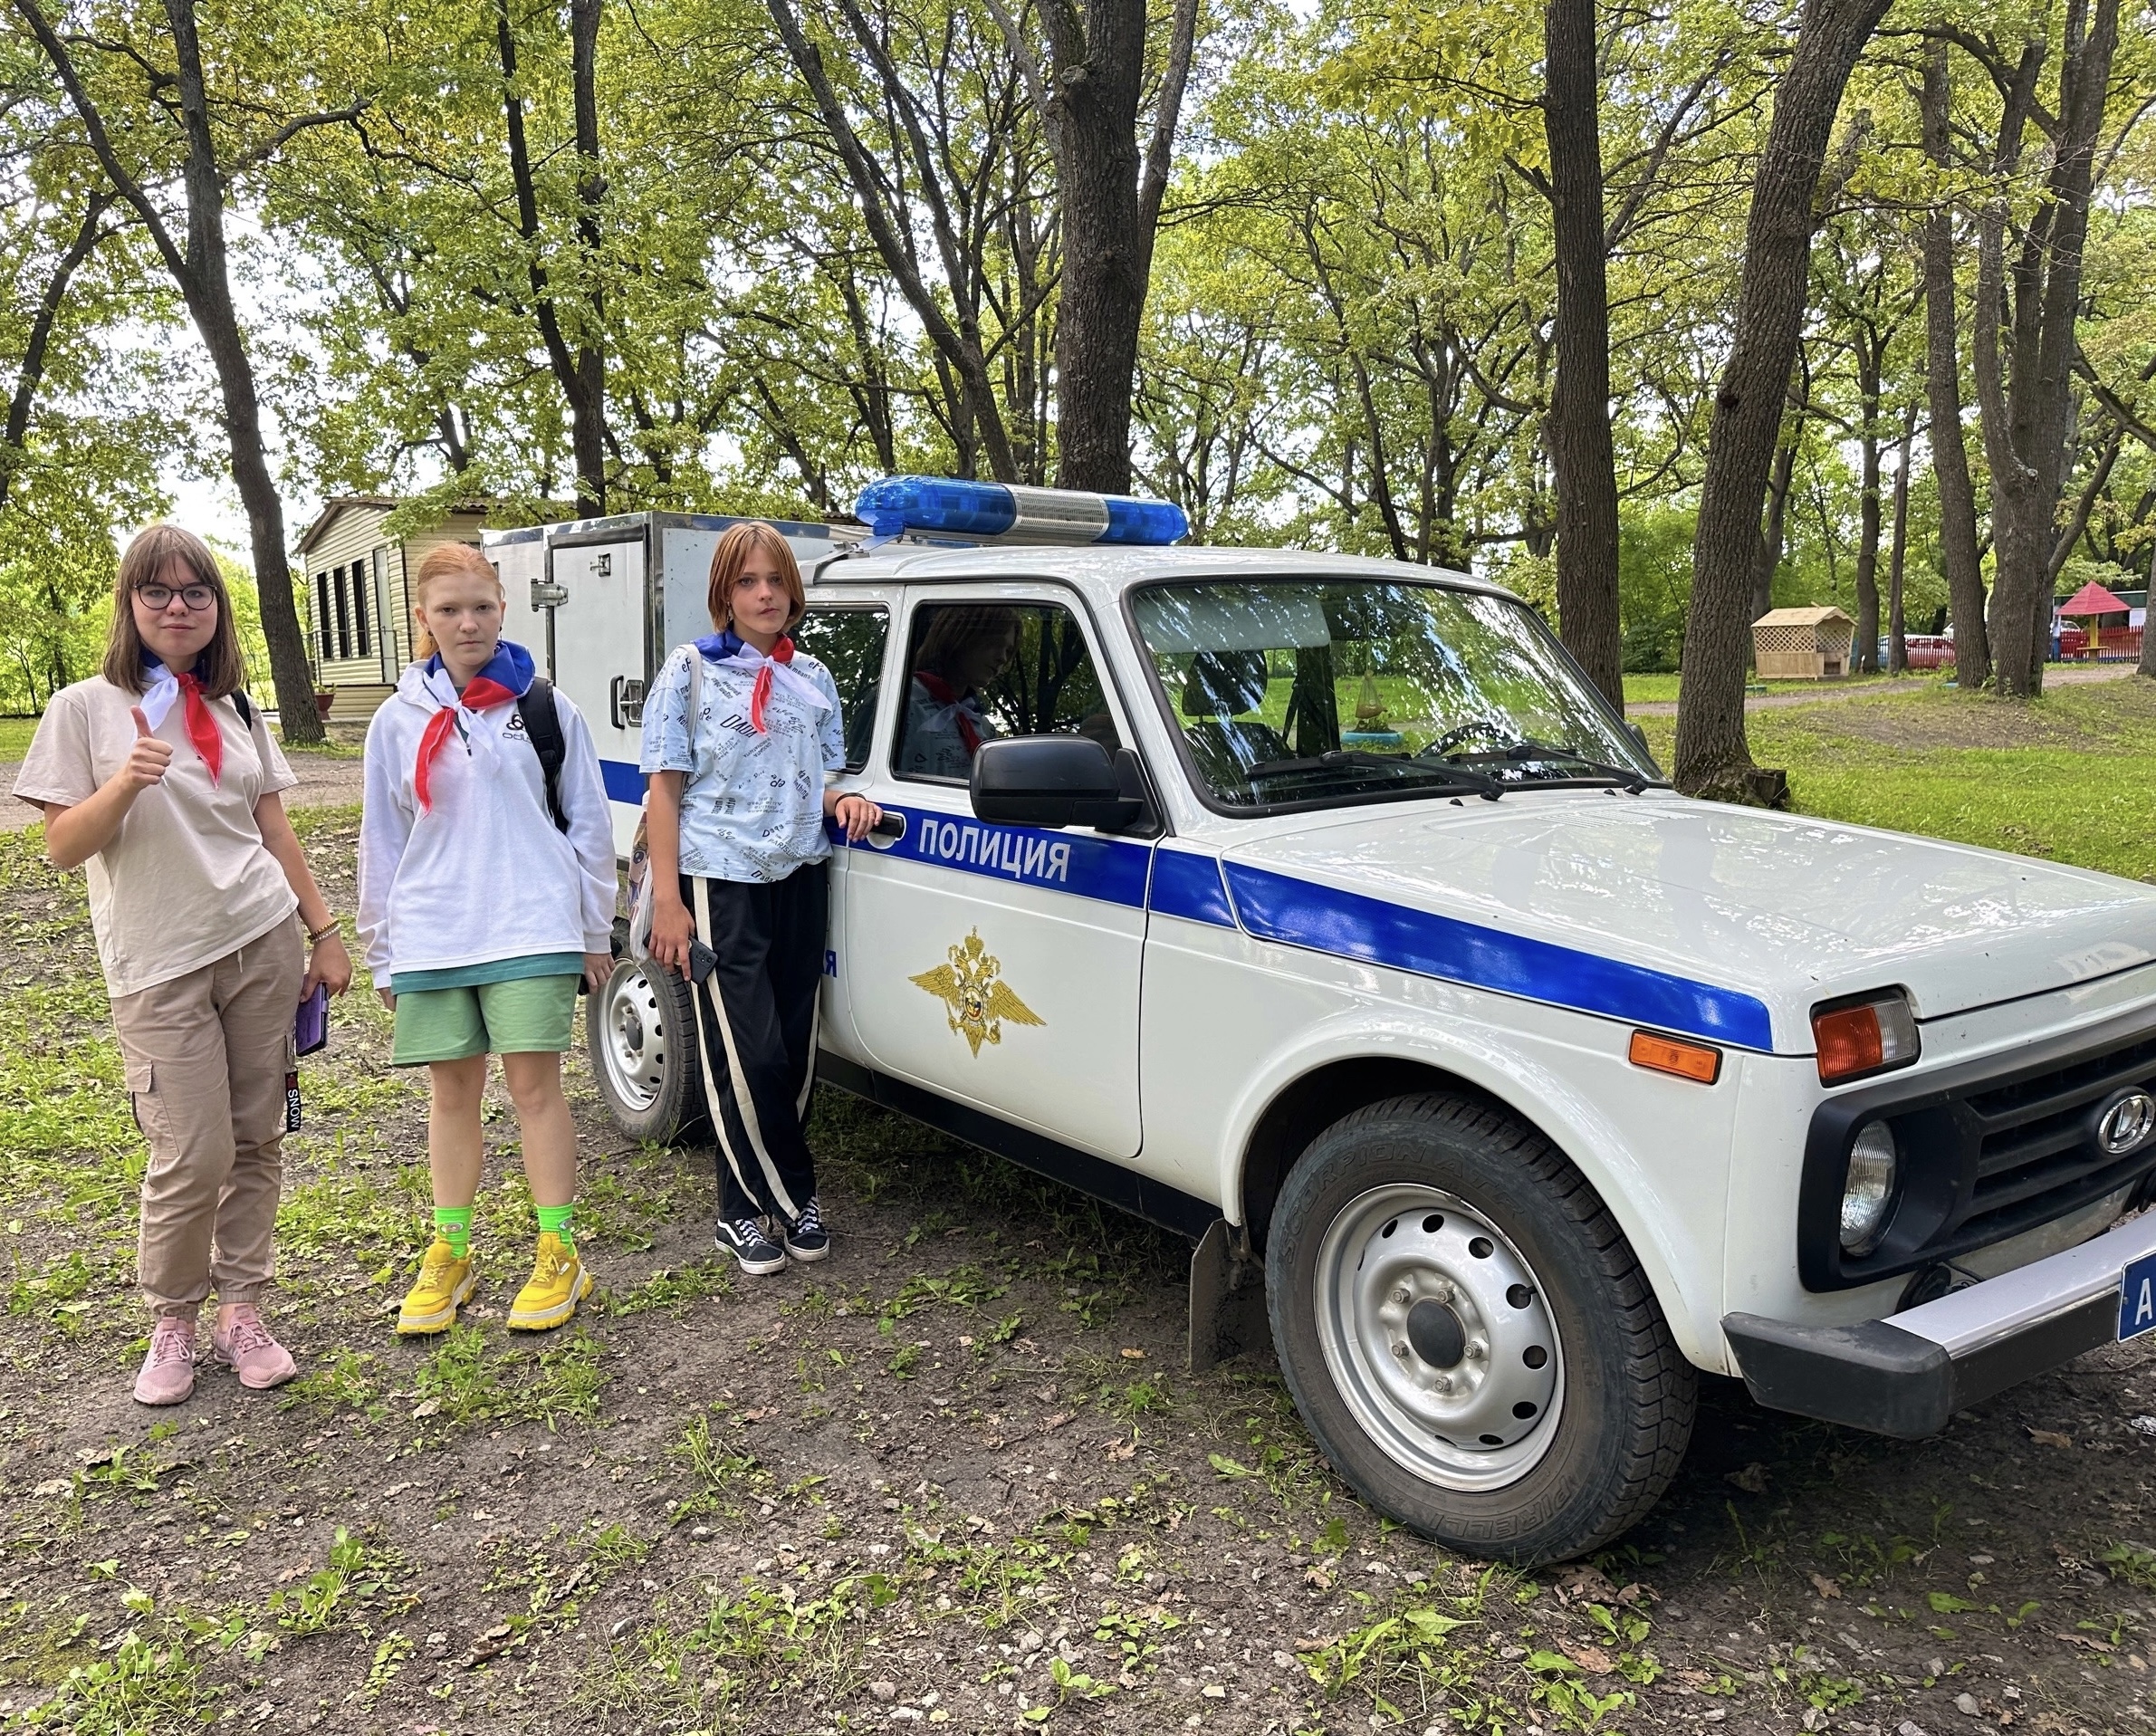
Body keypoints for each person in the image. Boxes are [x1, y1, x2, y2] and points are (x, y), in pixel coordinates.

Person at [14, 524, 353, 1405]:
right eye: (157, 591)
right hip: (158, 965)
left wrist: (322, 931)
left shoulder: (239, 711)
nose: (177, 606)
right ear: (131, 604)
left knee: (255, 1140)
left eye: (194, 592)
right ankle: (174, 1320)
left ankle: (242, 1309)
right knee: (190, 1153)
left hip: (261, 942)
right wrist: (124, 781)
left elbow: (274, 830)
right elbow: (59, 846)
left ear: (215, 608)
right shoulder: (83, 709)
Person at [358, 544, 615, 1335]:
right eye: (447, 609)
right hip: (435, 934)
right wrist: (384, 948)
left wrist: (593, 928)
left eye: (480, 606)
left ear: (504, 607)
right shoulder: (397, 720)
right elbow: (383, 839)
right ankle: (452, 1251)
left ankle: (558, 1249)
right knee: (452, 1094)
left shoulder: (544, 706)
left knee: (535, 1090)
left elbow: (589, 821)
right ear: (422, 620)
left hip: (530, 922)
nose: (466, 622)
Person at [639, 523, 880, 1275]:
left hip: (802, 872)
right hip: (722, 880)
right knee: (750, 1053)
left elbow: (826, 772)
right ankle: (787, 1194)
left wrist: (848, 801)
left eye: (775, 579)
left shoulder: (813, 674)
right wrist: (670, 902)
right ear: (724, 593)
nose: (764, 594)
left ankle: (740, 1211)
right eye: (747, 581)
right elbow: (663, 789)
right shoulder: (690, 670)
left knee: (795, 1045)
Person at [896, 606, 1019, 779]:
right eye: (995, 643)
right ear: (961, 636)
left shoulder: (982, 726)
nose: (1003, 658)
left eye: (1008, 651)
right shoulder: (897, 703)